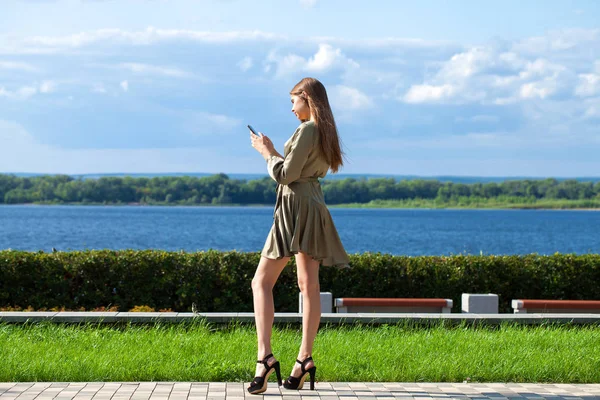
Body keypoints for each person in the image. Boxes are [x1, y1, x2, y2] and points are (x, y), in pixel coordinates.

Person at [247, 77, 350, 394]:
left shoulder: (307, 129)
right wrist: (278, 151)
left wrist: (266, 153)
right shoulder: (323, 131)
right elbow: (299, 168)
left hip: (294, 208)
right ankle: (303, 360)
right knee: (309, 286)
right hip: (314, 205)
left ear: (306, 97)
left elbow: (285, 175)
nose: (292, 109)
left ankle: (264, 358)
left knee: (261, 282)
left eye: (293, 101)